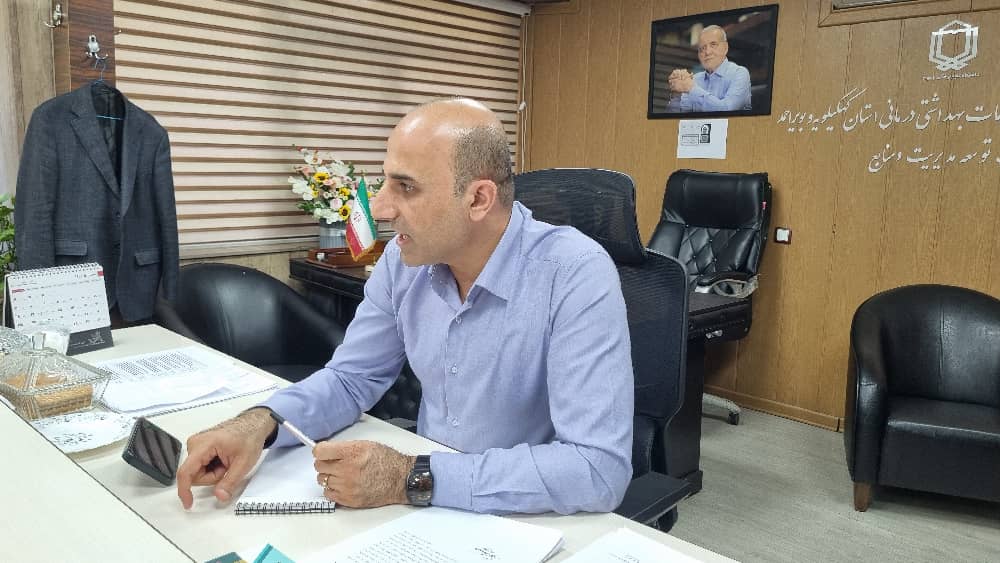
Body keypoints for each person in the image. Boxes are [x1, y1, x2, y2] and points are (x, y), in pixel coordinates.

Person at [176, 98, 635, 516]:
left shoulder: (574, 273)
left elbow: (597, 469)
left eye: (406, 188)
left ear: (478, 199)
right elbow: (351, 378)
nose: (380, 208)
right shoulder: (404, 260)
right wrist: (260, 423)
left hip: (529, 516)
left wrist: (408, 477)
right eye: (385, 182)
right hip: (424, 503)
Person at [666, 25, 751, 112]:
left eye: (713, 44)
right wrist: (677, 93)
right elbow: (676, 115)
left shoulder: (740, 74)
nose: (707, 52)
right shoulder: (695, 79)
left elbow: (727, 110)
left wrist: (691, 88)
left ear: (725, 48)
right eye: (702, 48)